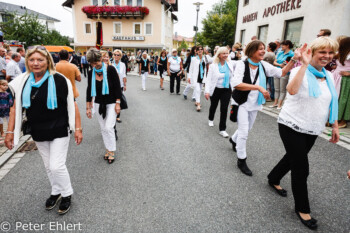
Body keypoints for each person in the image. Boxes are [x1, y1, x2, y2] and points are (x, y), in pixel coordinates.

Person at [267, 37, 339, 230]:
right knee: (301, 167)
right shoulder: (300, 70)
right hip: (291, 124)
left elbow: (331, 101)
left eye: (330, 52)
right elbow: (291, 90)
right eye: (322, 52)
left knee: (292, 158)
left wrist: (335, 126)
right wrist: (304, 65)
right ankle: (303, 209)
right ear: (312, 53)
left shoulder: (329, 76)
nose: (327, 56)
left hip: (313, 127)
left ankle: (273, 178)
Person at [5, 46, 83, 215]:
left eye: (40, 60)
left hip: (59, 128)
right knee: (48, 166)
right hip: (38, 129)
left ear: (48, 61)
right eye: (32, 60)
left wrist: (78, 128)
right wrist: (9, 133)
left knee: (56, 165)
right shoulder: (22, 82)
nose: (36, 63)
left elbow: (73, 104)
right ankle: (56, 191)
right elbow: (14, 108)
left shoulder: (60, 80)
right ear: (27, 62)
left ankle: (67, 194)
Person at [230, 40, 299, 176]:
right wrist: (259, 87)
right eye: (259, 49)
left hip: (255, 102)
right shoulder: (241, 64)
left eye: (263, 49)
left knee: (247, 128)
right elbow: (236, 83)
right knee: (244, 132)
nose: (263, 51)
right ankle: (241, 160)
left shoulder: (263, 65)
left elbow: (282, 72)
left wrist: (294, 59)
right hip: (241, 102)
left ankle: (233, 139)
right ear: (251, 51)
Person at [86, 48, 122, 164]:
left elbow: (117, 87)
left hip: (111, 103)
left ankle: (111, 151)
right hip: (98, 103)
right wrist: (88, 106)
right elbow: (89, 89)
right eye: (91, 63)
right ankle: (107, 149)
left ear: (101, 59)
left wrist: (118, 103)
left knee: (108, 127)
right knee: (103, 128)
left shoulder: (110, 69)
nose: (94, 65)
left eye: (95, 62)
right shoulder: (91, 72)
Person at [204, 47, 235, 137]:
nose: (226, 55)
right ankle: (211, 118)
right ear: (219, 55)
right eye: (223, 53)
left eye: (227, 53)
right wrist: (207, 91)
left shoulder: (230, 64)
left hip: (226, 89)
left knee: (224, 109)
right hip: (216, 89)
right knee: (213, 105)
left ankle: (222, 129)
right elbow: (208, 79)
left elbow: (232, 77)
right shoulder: (213, 66)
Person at [271, 40, 294, 109]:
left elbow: (289, 64)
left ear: (287, 46)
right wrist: (280, 65)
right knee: (276, 89)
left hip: (285, 73)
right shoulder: (280, 53)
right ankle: (275, 103)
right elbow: (274, 62)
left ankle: (279, 105)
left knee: (282, 89)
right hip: (277, 71)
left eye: (283, 45)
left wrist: (281, 65)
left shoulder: (291, 54)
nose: (281, 46)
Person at [332, 37, 350, 128]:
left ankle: (342, 121)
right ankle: (333, 119)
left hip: (346, 80)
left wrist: (348, 73)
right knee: (335, 97)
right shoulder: (340, 54)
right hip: (336, 77)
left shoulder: (348, 55)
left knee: (343, 99)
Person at [188, 46, 207, 112]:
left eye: (201, 49)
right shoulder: (194, 59)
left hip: (202, 77)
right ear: (196, 51)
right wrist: (189, 77)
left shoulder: (205, 58)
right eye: (198, 49)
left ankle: (196, 101)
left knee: (200, 90)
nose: (200, 50)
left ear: (203, 50)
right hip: (195, 77)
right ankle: (198, 104)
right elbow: (191, 68)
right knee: (197, 89)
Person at [112, 49, 126, 123]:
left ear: (120, 56)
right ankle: (112, 114)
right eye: (115, 54)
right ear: (113, 55)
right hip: (112, 86)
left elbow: (124, 75)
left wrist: (125, 85)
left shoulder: (123, 65)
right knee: (112, 101)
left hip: (120, 85)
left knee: (119, 100)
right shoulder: (110, 64)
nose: (116, 56)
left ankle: (117, 116)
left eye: (118, 55)